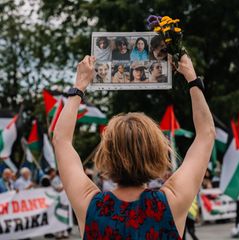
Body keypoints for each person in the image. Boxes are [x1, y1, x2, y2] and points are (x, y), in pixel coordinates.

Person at [53, 54, 215, 239]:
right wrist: (192, 79)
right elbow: (206, 135)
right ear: (157, 152)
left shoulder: (90, 205)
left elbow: (60, 140)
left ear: (107, 154)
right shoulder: (172, 201)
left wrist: (79, 85)